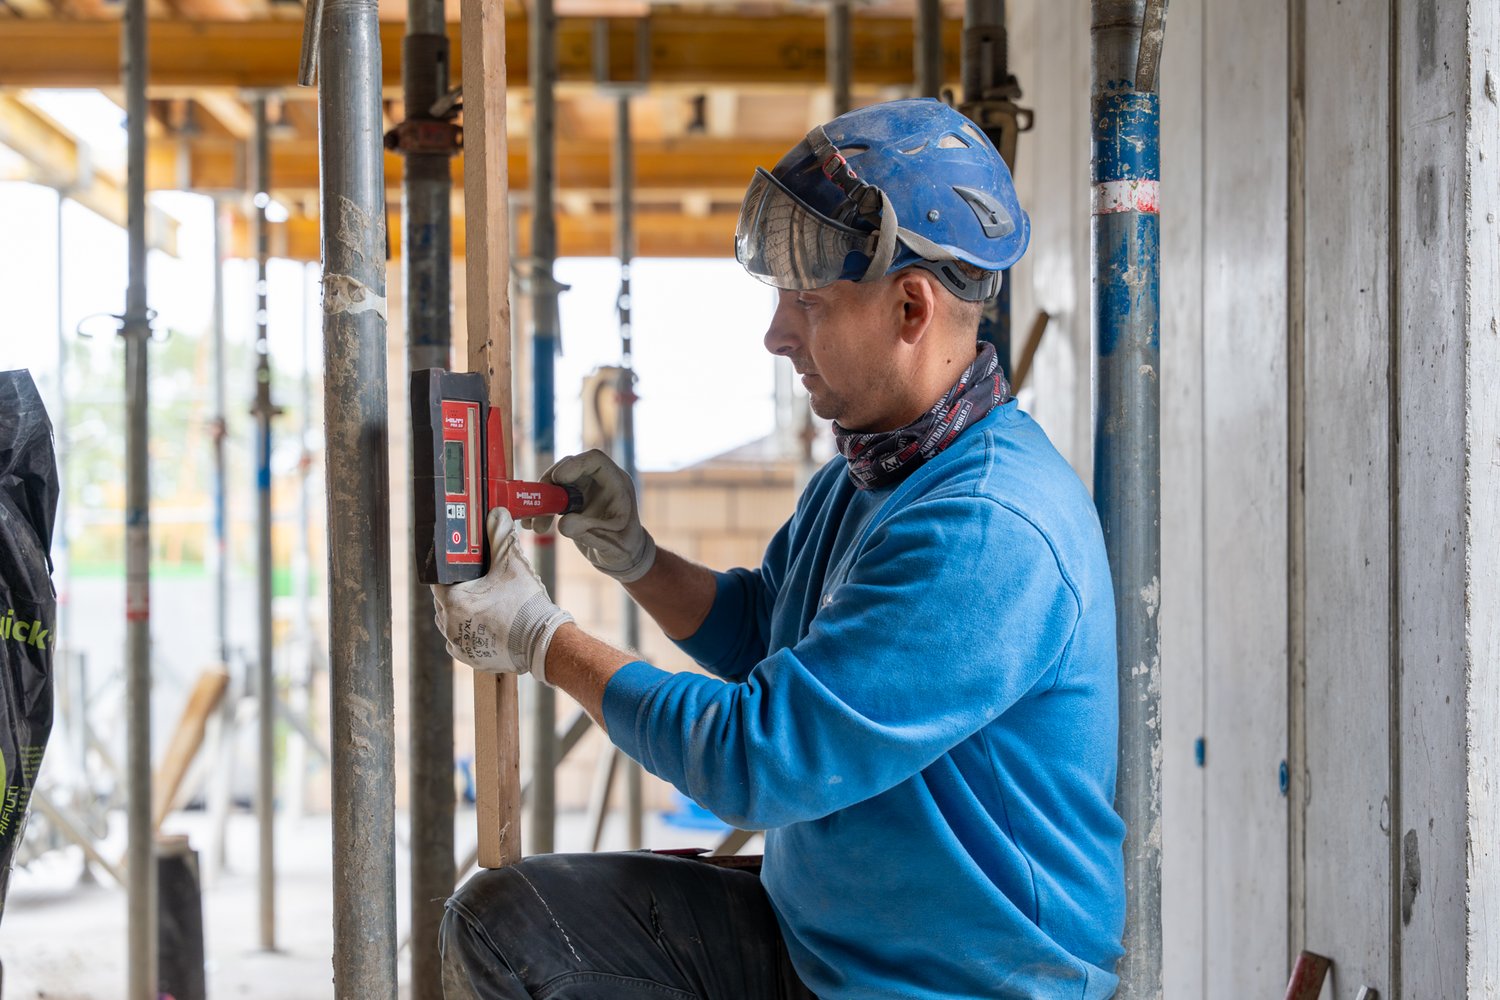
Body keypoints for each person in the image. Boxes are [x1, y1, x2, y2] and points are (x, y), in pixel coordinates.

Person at [434, 97, 1126, 1000]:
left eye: (808, 301)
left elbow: (756, 759)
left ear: (910, 307)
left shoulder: (988, 528)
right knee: (511, 922)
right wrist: (636, 558)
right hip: (835, 946)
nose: (776, 334)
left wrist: (541, 638)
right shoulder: (871, 473)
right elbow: (766, 629)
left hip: (947, 984)